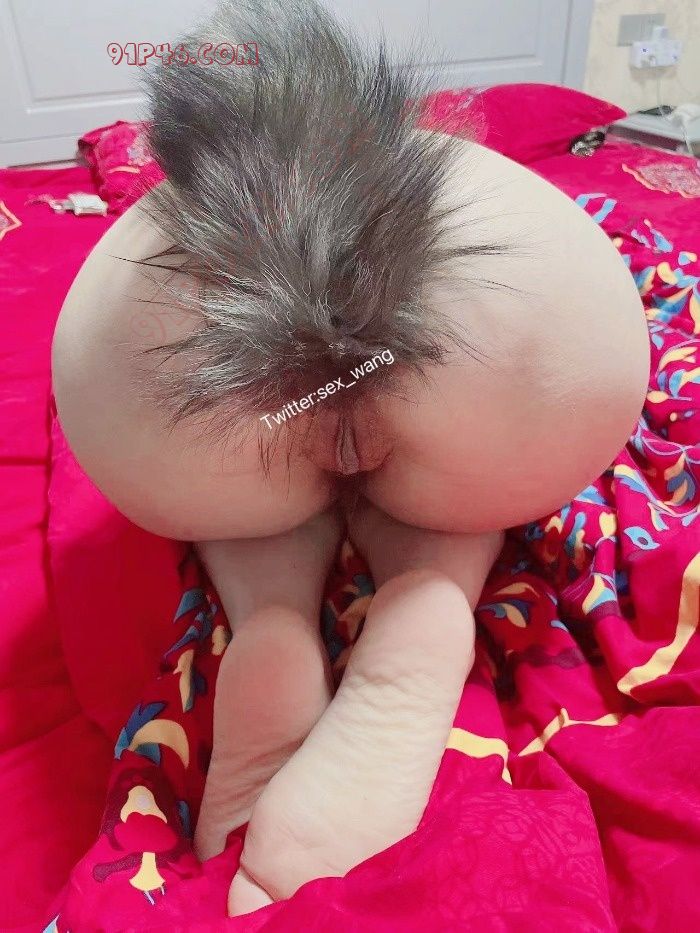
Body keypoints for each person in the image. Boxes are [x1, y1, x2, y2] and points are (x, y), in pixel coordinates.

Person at [51, 0, 650, 916]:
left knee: (245, 494)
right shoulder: (460, 160)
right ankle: (432, 594)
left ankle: (268, 614)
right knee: (456, 484)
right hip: (490, 359)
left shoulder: (169, 186)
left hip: (203, 400)